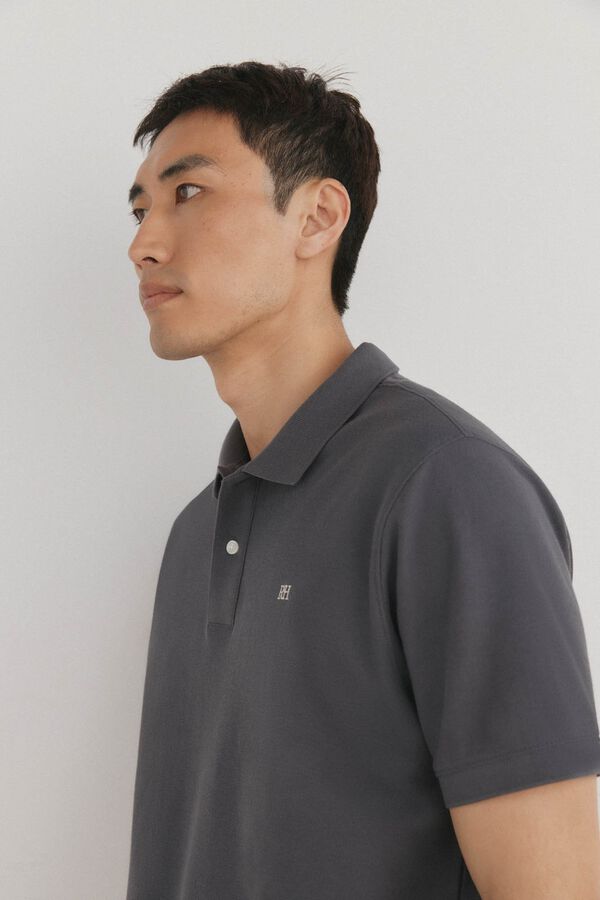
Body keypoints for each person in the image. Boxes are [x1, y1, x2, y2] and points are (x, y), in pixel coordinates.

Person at [125, 60, 600, 899]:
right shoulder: (195, 531)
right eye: (139, 211)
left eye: (187, 193)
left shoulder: (448, 486)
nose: (144, 244)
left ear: (317, 216)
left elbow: (553, 884)